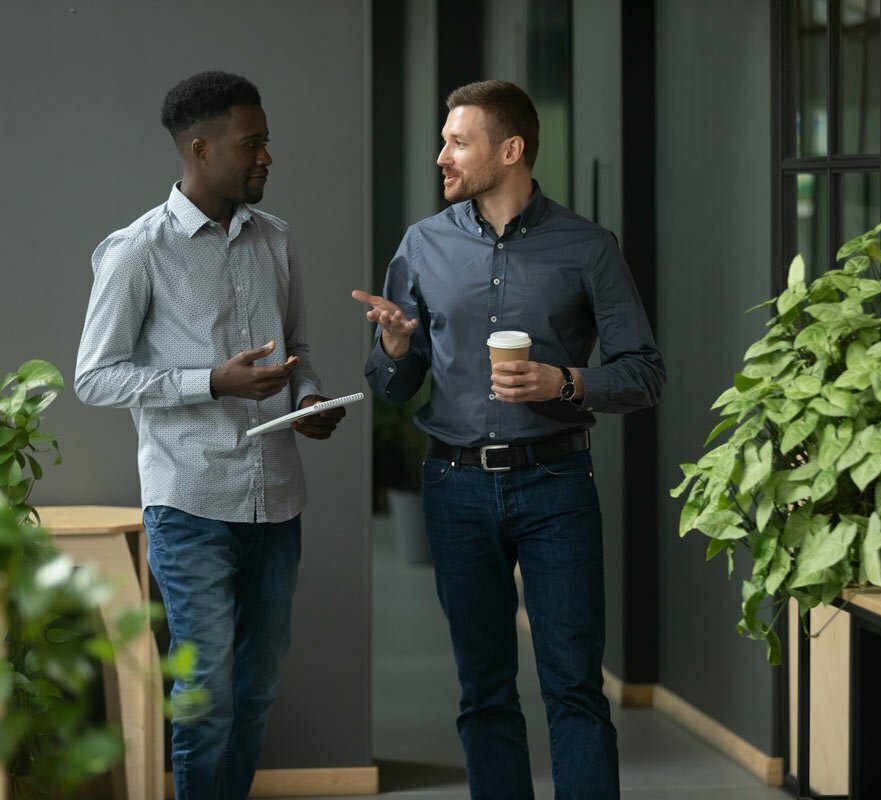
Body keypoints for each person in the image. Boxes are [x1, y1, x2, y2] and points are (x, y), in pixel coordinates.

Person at [354, 80, 664, 799]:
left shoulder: (586, 248)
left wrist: (565, 383)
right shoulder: (422, 246)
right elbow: (393, 388)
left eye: (458, 141)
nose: (442, 156)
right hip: (454, 487)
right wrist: (397, 350)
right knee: (484, 690)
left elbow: (645, 373)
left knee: (574, 687)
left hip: (556, 485)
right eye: (443, 140)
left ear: (511, 149)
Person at [75, 70, 345, 800]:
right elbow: (93, 377)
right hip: (190, 504)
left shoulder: (277, 240)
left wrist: (312, 397)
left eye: (267, 143)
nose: (266, 158)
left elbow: (301, 352)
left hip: (277, 502)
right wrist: (211, 382)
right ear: (200, 148)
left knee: (254, 692)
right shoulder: (138, 250)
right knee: (206, 695)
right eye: (251, 144)